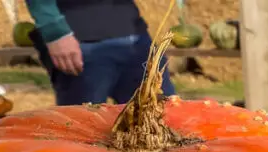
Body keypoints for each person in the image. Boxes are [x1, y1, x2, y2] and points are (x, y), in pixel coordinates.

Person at [24, 0, 175, 106]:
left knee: (165, 121)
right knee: (81, 134)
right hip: (78, 39)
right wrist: (54, 29)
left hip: (135, 34)